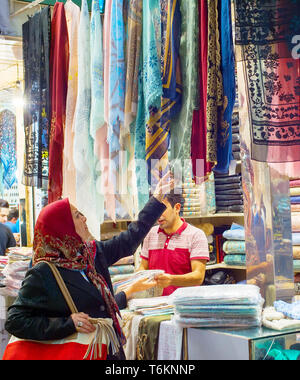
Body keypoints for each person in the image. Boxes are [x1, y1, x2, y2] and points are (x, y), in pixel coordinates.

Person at [4, 173, 173, 360]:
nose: (84, 219)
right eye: (77, 216)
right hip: (79, 352)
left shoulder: (90, 253)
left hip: (107, 349)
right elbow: (15, 320)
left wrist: (156, 200)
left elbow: (129, 240)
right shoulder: (44, 270)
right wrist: (67, 324)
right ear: (63, 227)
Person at [138, 190, 210, 296]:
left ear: (176, 208)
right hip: (154, 305)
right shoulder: (151, 234)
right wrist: (138, 276)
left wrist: (171, 280)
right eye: (155, 209)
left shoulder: (196, 235)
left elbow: (198, 276)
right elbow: (143, 266)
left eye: (162, 208)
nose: (158, 215)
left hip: (183, 304)